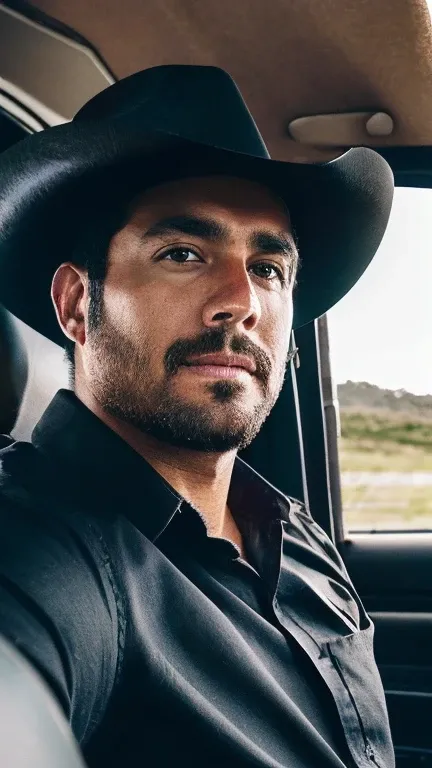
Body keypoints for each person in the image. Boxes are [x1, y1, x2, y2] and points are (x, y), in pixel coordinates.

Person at [0, 65, 395, 768]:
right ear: (75, 307)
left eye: (269, 268)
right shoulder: (42, 550)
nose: (240, 300)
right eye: (183, 253)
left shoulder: (294, 532)